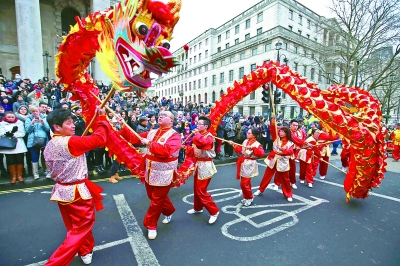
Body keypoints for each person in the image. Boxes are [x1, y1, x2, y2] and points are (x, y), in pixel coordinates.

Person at [43, 108, 110, 266]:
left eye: (73, 122)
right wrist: (102, 117)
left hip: (61, 190)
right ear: (56, 127)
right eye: (68, 123)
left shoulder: (50, 145)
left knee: (74, 226)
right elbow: (99, 139)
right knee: (80, 229)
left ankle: (86, 250)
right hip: (77, 192)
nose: (73, 126)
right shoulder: (70, 142)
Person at [118, 110, 181, 240]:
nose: (160, 116)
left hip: (165, 173)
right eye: (160, 115)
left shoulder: (175, 135)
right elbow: (135, 138)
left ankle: (151, 225)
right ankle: (169, 211)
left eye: (164, 116)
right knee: (153, 196)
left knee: (157, 200)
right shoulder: (152, 132)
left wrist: (148, 143)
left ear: (171, 120)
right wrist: (124, 125)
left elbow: (166, 151)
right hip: (150, 170)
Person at [184, 116, 219, 223]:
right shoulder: (200, 135)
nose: (197, 125)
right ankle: (198, 208)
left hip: (206, 166)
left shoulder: (209, 137)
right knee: (196, 188)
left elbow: (202, 145)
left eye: (199, 124)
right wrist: (185, 147)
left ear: (205, 126)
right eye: (197, 123)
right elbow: (195, 150)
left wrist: (196, 134)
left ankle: (214, 211)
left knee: (201, 190)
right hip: (198, 164)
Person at [253, 126, 294, 202]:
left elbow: (290, 152)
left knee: (286, 179)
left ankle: (288, 194)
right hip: (273, 159)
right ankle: (260, 189)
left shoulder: (290, 143)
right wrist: (273, 120)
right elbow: (272, 128)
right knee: (266, 176)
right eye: (280, 131)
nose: (281, 133)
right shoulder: (276, 139)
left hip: (283, 161)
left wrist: (282, 149)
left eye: (283, 132)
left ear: (287, 133)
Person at [229, 127, 265, 206]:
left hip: (250, 164)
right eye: (247, 133)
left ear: (254, 135)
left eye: (249, 133)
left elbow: (261, 154)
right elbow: (240, 151)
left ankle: (250, 197)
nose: (247, 134)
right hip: (243, 163)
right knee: (245, 183)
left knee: (244, 183)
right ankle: (246, 197)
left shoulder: (257, 144)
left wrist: (253, 148)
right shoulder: (245, 141)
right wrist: (233, 144)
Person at [0, 111, 27, 183]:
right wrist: (6, 133)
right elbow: (1, 132)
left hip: (18, 143)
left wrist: (13, 134)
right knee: (10, 160)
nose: (11, 118)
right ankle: (13, 176)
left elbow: (22, 133)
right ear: (5, 117)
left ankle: (19, 176)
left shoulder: (19, 123)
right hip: (7, 143)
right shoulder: (1, 124)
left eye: (12, 117)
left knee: (19, 159)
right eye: (9, 117)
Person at [25, 105, 50, 179]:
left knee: (46, 156)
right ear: (31, 112)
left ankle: (48, 172)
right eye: (33, 111)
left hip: (43, 139)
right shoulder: (28, 119)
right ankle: (35, 174)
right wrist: (32, 123)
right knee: (34, 157)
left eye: (36, 111)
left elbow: (48, 129)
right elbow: (27, 130)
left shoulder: (44, 118)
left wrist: (43, 123)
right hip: (32, 140)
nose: (35, 113)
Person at [288, 119, 306, 189]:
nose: (295, 127)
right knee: (281, 169)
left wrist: (304, 145)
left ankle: (292, 182)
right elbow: (295, 139)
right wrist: (305, 143)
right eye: (294, 125)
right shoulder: (288, 132)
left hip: (292, 153)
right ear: (290, 125)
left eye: (296, 125)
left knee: (292, 169)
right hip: (284, 153)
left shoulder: (298, 132)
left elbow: (299, 141)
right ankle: (277, 183)